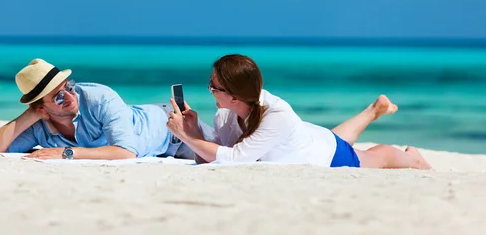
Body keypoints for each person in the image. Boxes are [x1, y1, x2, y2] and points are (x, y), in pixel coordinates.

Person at [166, 54, 432, 169]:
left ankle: (414, 158)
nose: (209, 90)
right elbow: (214, 160)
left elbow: (234, 158)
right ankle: (374, 110)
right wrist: (193, 130)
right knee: (331, 137)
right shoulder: (224, 115)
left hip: (328, 155)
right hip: (305, 139)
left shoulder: (277, 114)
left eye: (213, 86)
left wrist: (188, 138)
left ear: (233, 96)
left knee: (373, 158)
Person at [0, 58, 214, 160]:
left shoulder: (98, 97)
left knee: (234, 150)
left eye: (68, 86)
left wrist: (67, 153)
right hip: (156, 147)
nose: (69, 95)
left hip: (173, 129)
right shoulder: (39, 125)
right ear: (41, 108)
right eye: (58, 96)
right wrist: (29, 115)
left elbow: (125, 152)